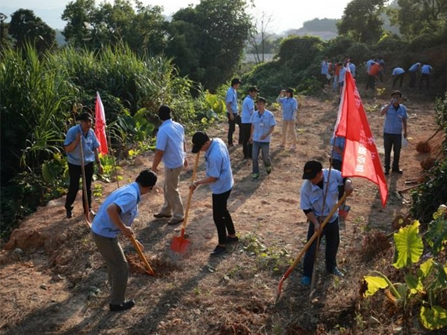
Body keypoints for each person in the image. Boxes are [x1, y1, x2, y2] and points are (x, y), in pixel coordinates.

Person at [91, 169, 157, 312]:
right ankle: (116, 303)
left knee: (113, 264)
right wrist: (123, 228)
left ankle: (114, 291)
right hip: (104, 234)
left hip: (102, 231)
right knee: (121, 267)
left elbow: (122, 216)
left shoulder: (130, 188)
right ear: (149, 187)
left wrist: (133, 238)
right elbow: (111, 210)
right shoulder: (131, 195)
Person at [300, 160, 353, 286]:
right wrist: (315, 223)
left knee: (333, 244)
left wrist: (348, 183)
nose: (310, 180)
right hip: (317, 219)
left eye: (313, 177)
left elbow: (345, 177)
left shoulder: (332, 174)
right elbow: (306, 208)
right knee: (311, 248)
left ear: (320, 173)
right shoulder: (305, 188)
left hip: (333, 218)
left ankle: (331, 267)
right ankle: (307, 273)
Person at [190, 132, 237, 256]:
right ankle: (232, 235)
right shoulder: (217, 140)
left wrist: (197, 183)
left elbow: (213, 178)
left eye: (201, 147)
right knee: (223, 211)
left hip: (221, 187)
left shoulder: (214, 156)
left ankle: (222, 244)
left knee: (218, 216)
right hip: (227, 181)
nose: (200, 150)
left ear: (206, 142)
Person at [151, 105, 188, 225]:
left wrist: (153, 168)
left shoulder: (163, 130)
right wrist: (185, 157)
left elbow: (159, 152)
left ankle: (179, 214)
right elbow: (183, 143)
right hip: (178, 161)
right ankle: (166, 209)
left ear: (159, 116)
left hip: (172, 163)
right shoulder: (178, 126)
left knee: (172, 189)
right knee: (167, 187)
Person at [64, 111, 103, 219]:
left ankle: (87, 209)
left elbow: (95, 148)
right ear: (81, 122)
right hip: (75, 163)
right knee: (74, 186)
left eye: (90, 121)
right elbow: (67, 149)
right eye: (86, 122)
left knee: (88, 187)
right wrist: (77, 140)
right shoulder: (73, 132)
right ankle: (68, 206)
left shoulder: (91, 132)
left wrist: (99, 163)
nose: (88, 124)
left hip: (88, 162)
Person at [380, 90, 408, 175]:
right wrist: (389, 104)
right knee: (387, 151)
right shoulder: (387, 107)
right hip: (388, 133)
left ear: (400, 99)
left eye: (397, 97)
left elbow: (404, 120)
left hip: (397, 134)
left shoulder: (402, 108)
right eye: (394, 97)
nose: (396, 99)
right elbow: (382, 113)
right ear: (391, 98)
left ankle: (395, 167)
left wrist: (405, 131)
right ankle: (387, 169)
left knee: (397, 151)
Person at [249, 97, 276, 179]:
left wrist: (266, 134)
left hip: (265, 140)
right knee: (254, 157)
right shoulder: (254, 114)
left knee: (265, 157)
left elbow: (272, 127)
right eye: (258, 104)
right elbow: (252, 125)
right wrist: (251, 136)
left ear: (264, 105)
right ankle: (255, 172)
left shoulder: (269, 115)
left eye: (261, 104)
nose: (259, 106)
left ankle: (268, 165)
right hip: (256, 139)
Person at [241, 87, 259, 159]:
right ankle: (249, 154)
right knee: (249, 138)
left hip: (245, 121)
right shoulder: (249, 100)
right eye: (254, 92)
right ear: (250, 92)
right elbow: (252, 112)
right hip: (248, 122)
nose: (255, 94)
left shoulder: (247, 99)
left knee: (246, 138)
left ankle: (247, 154)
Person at [225, 78, 242, 147]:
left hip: (235, 112)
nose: (239, 86)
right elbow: (228, 103)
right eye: (238, 84)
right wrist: (231, 114)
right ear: (235, 84)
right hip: (231, 112)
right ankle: (230, 142)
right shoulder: (230, 92)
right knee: (232, 128)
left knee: (241, 125)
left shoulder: (234, 91)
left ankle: (241, 141)